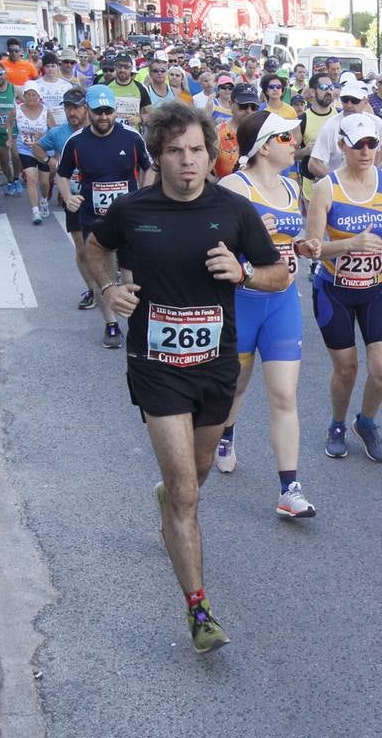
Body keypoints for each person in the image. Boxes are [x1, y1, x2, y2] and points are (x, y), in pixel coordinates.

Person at [86, 101, 287, 653]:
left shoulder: (234, 211)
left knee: (194, 478)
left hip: (216, 366)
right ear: (159, 155)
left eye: (196, 150)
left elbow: (279, 274)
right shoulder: (132, 210)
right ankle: (199, 611)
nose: (187, 161)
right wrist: (108, 289)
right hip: (156, 367)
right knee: (185, 492)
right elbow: (94, 248)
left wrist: (244, 271)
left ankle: (172, 498)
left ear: (211, 153)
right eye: (174, 151)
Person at [213, 111, 323, 517]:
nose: (294, 143)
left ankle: (288, 488)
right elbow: (213, 244)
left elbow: (290, 241)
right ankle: (226, 433)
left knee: (283, 394)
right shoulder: (233, 187)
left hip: (281, 303)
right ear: (261, 146)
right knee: (236, 388)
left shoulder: (292, 186)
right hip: (241, 302)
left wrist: (302, 248)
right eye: (284, 138)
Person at [306, 113, 382, 463]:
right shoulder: (326, 188)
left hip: (375, 288)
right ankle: (337, 423)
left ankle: (365, 422)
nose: (366, 151)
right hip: (335, 289)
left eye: (372, 144)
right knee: (346, 369)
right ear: (342, 145)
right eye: (358, 145)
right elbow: (311, 247)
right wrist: (351, 244)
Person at [56, 84, 155, 348]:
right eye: (98, 111)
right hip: (94, 218)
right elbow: (62, 174)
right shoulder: (76, 141)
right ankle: (110, 324)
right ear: (88, 110)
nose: (103, 117)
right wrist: (68, 197)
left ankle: (137, 322)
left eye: (108, 111)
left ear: (115, 111)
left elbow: (148, 166)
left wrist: (143, 195)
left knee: (131, 273)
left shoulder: (132, 137)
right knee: (104, 274)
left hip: (128, 217)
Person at [35, 87, 115, 323]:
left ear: (86, 108)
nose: (72, 112)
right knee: (83, 251)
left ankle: (108, 284)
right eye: (68, 107)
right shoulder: (60, 133)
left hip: (105, 198)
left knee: (111, 251)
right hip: (76, 199)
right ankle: (93, 289)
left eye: (76, 107)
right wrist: (51, 162)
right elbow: (37, 147)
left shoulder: (103, 132)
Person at [309, 79, 373, 180]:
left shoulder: (375, 123)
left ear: (365, 101)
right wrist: (337, 181)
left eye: (354, 100)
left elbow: (378, 156)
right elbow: (313, 164)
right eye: (345, 99)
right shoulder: (331, 126)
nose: (349, 105)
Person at [13, 86, 54, 225]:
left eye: (33, 95)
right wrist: (9, 138)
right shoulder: (17, 109)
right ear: (24, 95)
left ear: (38, 96)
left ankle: (43, 200)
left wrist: (43, 135)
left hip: (43, 150)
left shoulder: (46, 111)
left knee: (44, 182)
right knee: (31, 178)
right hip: (25, 148)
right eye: (28, 94)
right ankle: (35, 211)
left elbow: (53, 131)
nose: (30, 98)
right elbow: (8, 123)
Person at [0, 63, 22, 195]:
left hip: (13, 130)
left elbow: (28, 102)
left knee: (16, 156)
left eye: (1, 73)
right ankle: (9, 181)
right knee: (4, 160)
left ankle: (16, 178)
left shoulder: (14, 89)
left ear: (5, 74)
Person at [105, 54, 150, 130]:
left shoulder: (140, 88)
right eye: (119, 66)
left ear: (131, 68)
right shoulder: (105, 87)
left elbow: (150, 114)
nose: (122, 70)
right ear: (115, 67)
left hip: (133, 134)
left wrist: (139, 119)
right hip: (110, 133)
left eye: (126, 67)